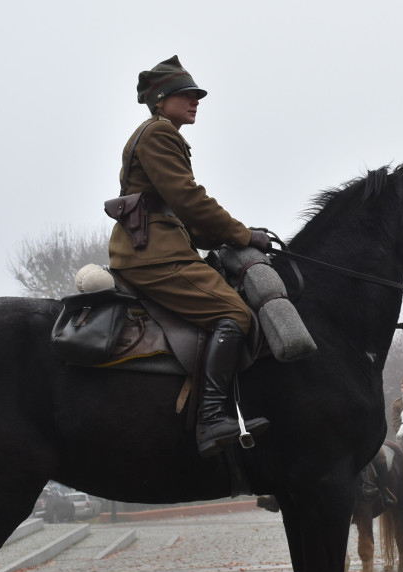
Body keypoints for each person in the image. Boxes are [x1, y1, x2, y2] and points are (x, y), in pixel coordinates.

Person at [108, 55, 270, 458]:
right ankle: (212, 416)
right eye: (186, 95)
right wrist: (242, 232)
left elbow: (183, 212)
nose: (195, 101)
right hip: (154, 256)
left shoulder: (160, 132)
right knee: (234, 315)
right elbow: (189, 199)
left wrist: (229, 238)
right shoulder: (159, 133)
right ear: (161, 100)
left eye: (197, 95)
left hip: (162, 245)